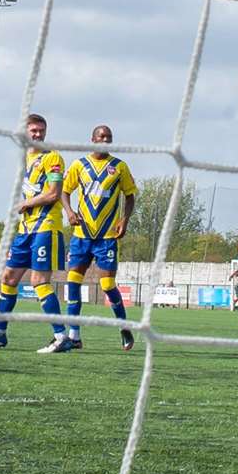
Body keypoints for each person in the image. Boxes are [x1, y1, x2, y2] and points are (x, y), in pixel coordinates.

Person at [0, 114, 68, 352]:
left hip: (45, 228)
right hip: (26, 230)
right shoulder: (25, 159)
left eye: (41, 130)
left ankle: (61, 337)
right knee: (8, 279)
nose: (38, 134)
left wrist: (26, 204)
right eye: (33, 130)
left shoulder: (53, 158)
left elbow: (54, 193)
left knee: (39, 281)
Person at [60, 125, 138, 351]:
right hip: (81, 235)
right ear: (92, 139)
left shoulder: (119, 167)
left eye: (109, 137)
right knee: (73, 282)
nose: (105, 140)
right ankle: (74, 335)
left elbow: (130, 195)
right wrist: (69, 211)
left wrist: (125, 219)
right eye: (101, 136)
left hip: (106, 237)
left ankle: (124, 328)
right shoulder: (79, 165)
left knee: (107, 284)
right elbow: (65, 190)